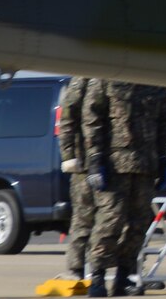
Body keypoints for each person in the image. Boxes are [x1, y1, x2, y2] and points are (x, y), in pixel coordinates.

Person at [83, 80, 166, 297]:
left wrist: (163, 158)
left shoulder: (157, 83)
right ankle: (97, 276)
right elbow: (92, 117)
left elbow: (164, 122)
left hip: (145, 165)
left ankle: (124, 276)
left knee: (138, 224)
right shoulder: (105, 79)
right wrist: (95, 158)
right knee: (110, 222)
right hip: (114, 164)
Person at [57, 76, 101, 291]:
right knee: (83, 219)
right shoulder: (83, 79)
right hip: (84, 162)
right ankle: (75, 268)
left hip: (108, 161)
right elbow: (67, 119)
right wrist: (68, 156)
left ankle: (100, 269)